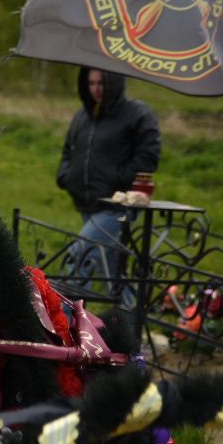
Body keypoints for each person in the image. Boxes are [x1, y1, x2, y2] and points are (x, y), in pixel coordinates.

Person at [57, 67, 162, 298]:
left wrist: (120, 180)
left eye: (101, 83)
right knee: (112, 273)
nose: (96, 89)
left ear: (114, 83)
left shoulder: (136, 114)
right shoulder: (83, 116)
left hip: (117, 208)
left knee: (79, 257)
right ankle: (129, 323)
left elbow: (149, 154)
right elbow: (68, 150)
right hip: (87, 205)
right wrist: (65, 175)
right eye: (91, 83)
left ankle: (64, 324)